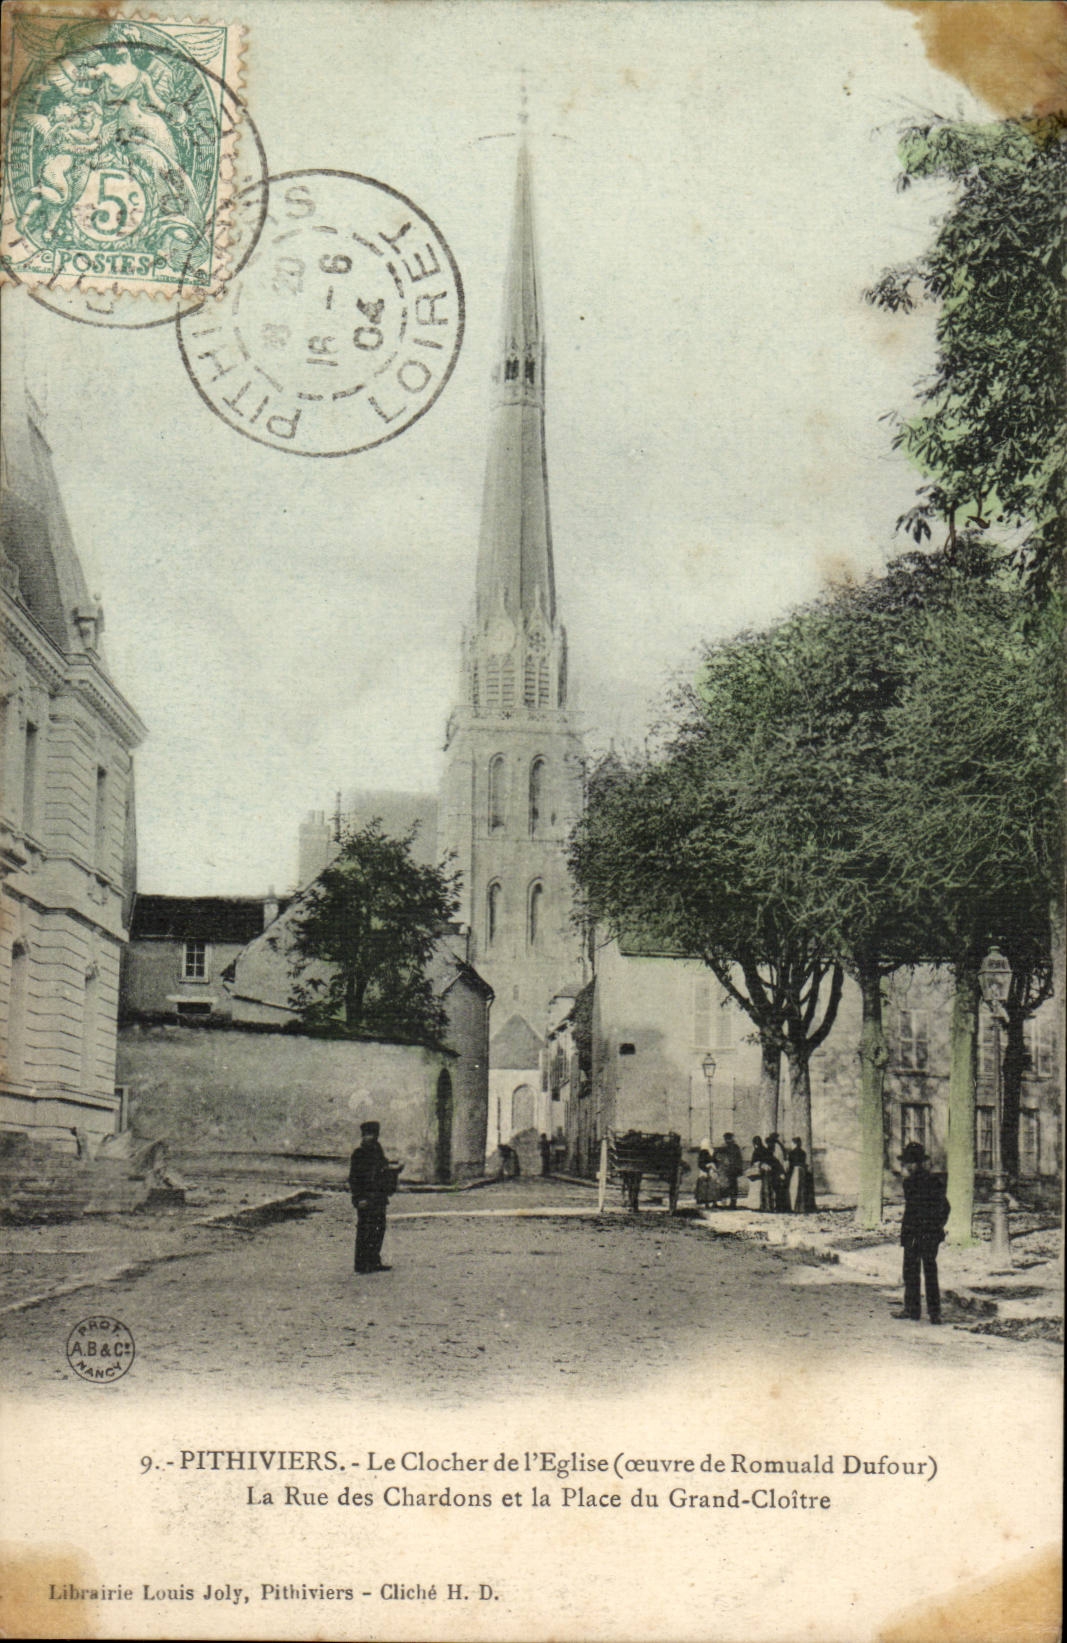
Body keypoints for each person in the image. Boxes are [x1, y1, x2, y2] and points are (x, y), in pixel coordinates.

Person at [895, 1141, 950, 1324]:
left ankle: (912, 1310)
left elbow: (913, 1211)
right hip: (931, 1234)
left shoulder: (909, 1183)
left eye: (906, 1163)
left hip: (914, 1234)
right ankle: (935, 1313)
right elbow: (946, 1207)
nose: (904, 1167)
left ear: (913, 1164)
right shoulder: (936, 1181)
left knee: (911, 1271)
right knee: (930, 1272)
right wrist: (937, 1226)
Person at [348, 1120, 394, 1274]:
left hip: (379, 1197)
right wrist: (358, 1198)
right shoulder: (359, 1154)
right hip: (366, 1197)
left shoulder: (378, 1152)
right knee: (365, 1230)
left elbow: (384, 1170)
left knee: (378, 1229)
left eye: (373, 1134)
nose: (370, 1137)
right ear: (363, 1136)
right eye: (367, 1134)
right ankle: (361, 1264)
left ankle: (374, 1260)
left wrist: (393, 1170)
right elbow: (354, 1178)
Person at [787, 1136, 814, 1213]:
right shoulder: (803, 1152)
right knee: (801, 1189)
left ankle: (794, 1207)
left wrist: (788, 1174)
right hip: (802, 1170)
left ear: (794, 1143)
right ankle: (801, 1207)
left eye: (792, 1143)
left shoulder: (791, 1153)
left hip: (795, 1171)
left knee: (794, 1189)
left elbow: (791, 1164)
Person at [721, 1132, 744, 1209]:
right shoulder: (734, 1147)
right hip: (734, 1169)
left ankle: (732, 1203)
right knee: (733, 1186)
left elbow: (734, 1159)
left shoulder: (728, 1147)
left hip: (731, 1169)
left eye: (726, 1139)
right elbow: (739, 1159)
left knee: (731, 1186)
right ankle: (733, 1202)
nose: (725, 1141)